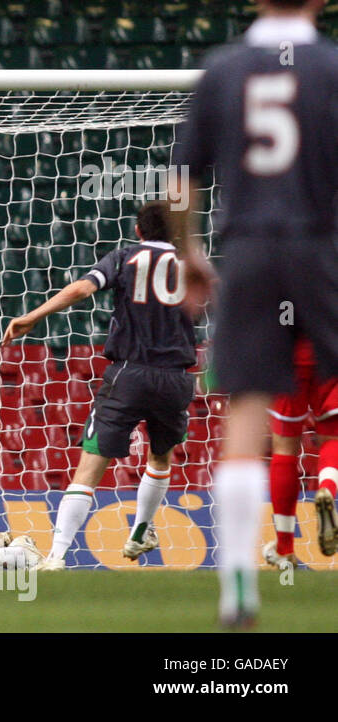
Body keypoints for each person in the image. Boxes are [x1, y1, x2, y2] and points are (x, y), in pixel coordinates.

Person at [168, 0, 338, 626]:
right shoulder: (332, 69)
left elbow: (181, 179)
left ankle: (238, 584)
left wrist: (190, 254)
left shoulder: (224, 69)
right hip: (322, 247)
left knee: (245, 416)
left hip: (246, 250)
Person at [2, 200, 196, 570]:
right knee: (160, 456)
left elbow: (81, 290)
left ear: (139, 231)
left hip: (129, 372)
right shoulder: (192, 265)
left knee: (90, 464)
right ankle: (140, 529)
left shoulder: (125, 257)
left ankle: (57, 556)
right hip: (175, 378)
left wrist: (32, 316)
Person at [263, 336, 338, 568]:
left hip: (289, 354)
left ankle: (285, 548)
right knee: (333, 438)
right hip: (331, 349)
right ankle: (327, 490)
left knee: (285, 449)